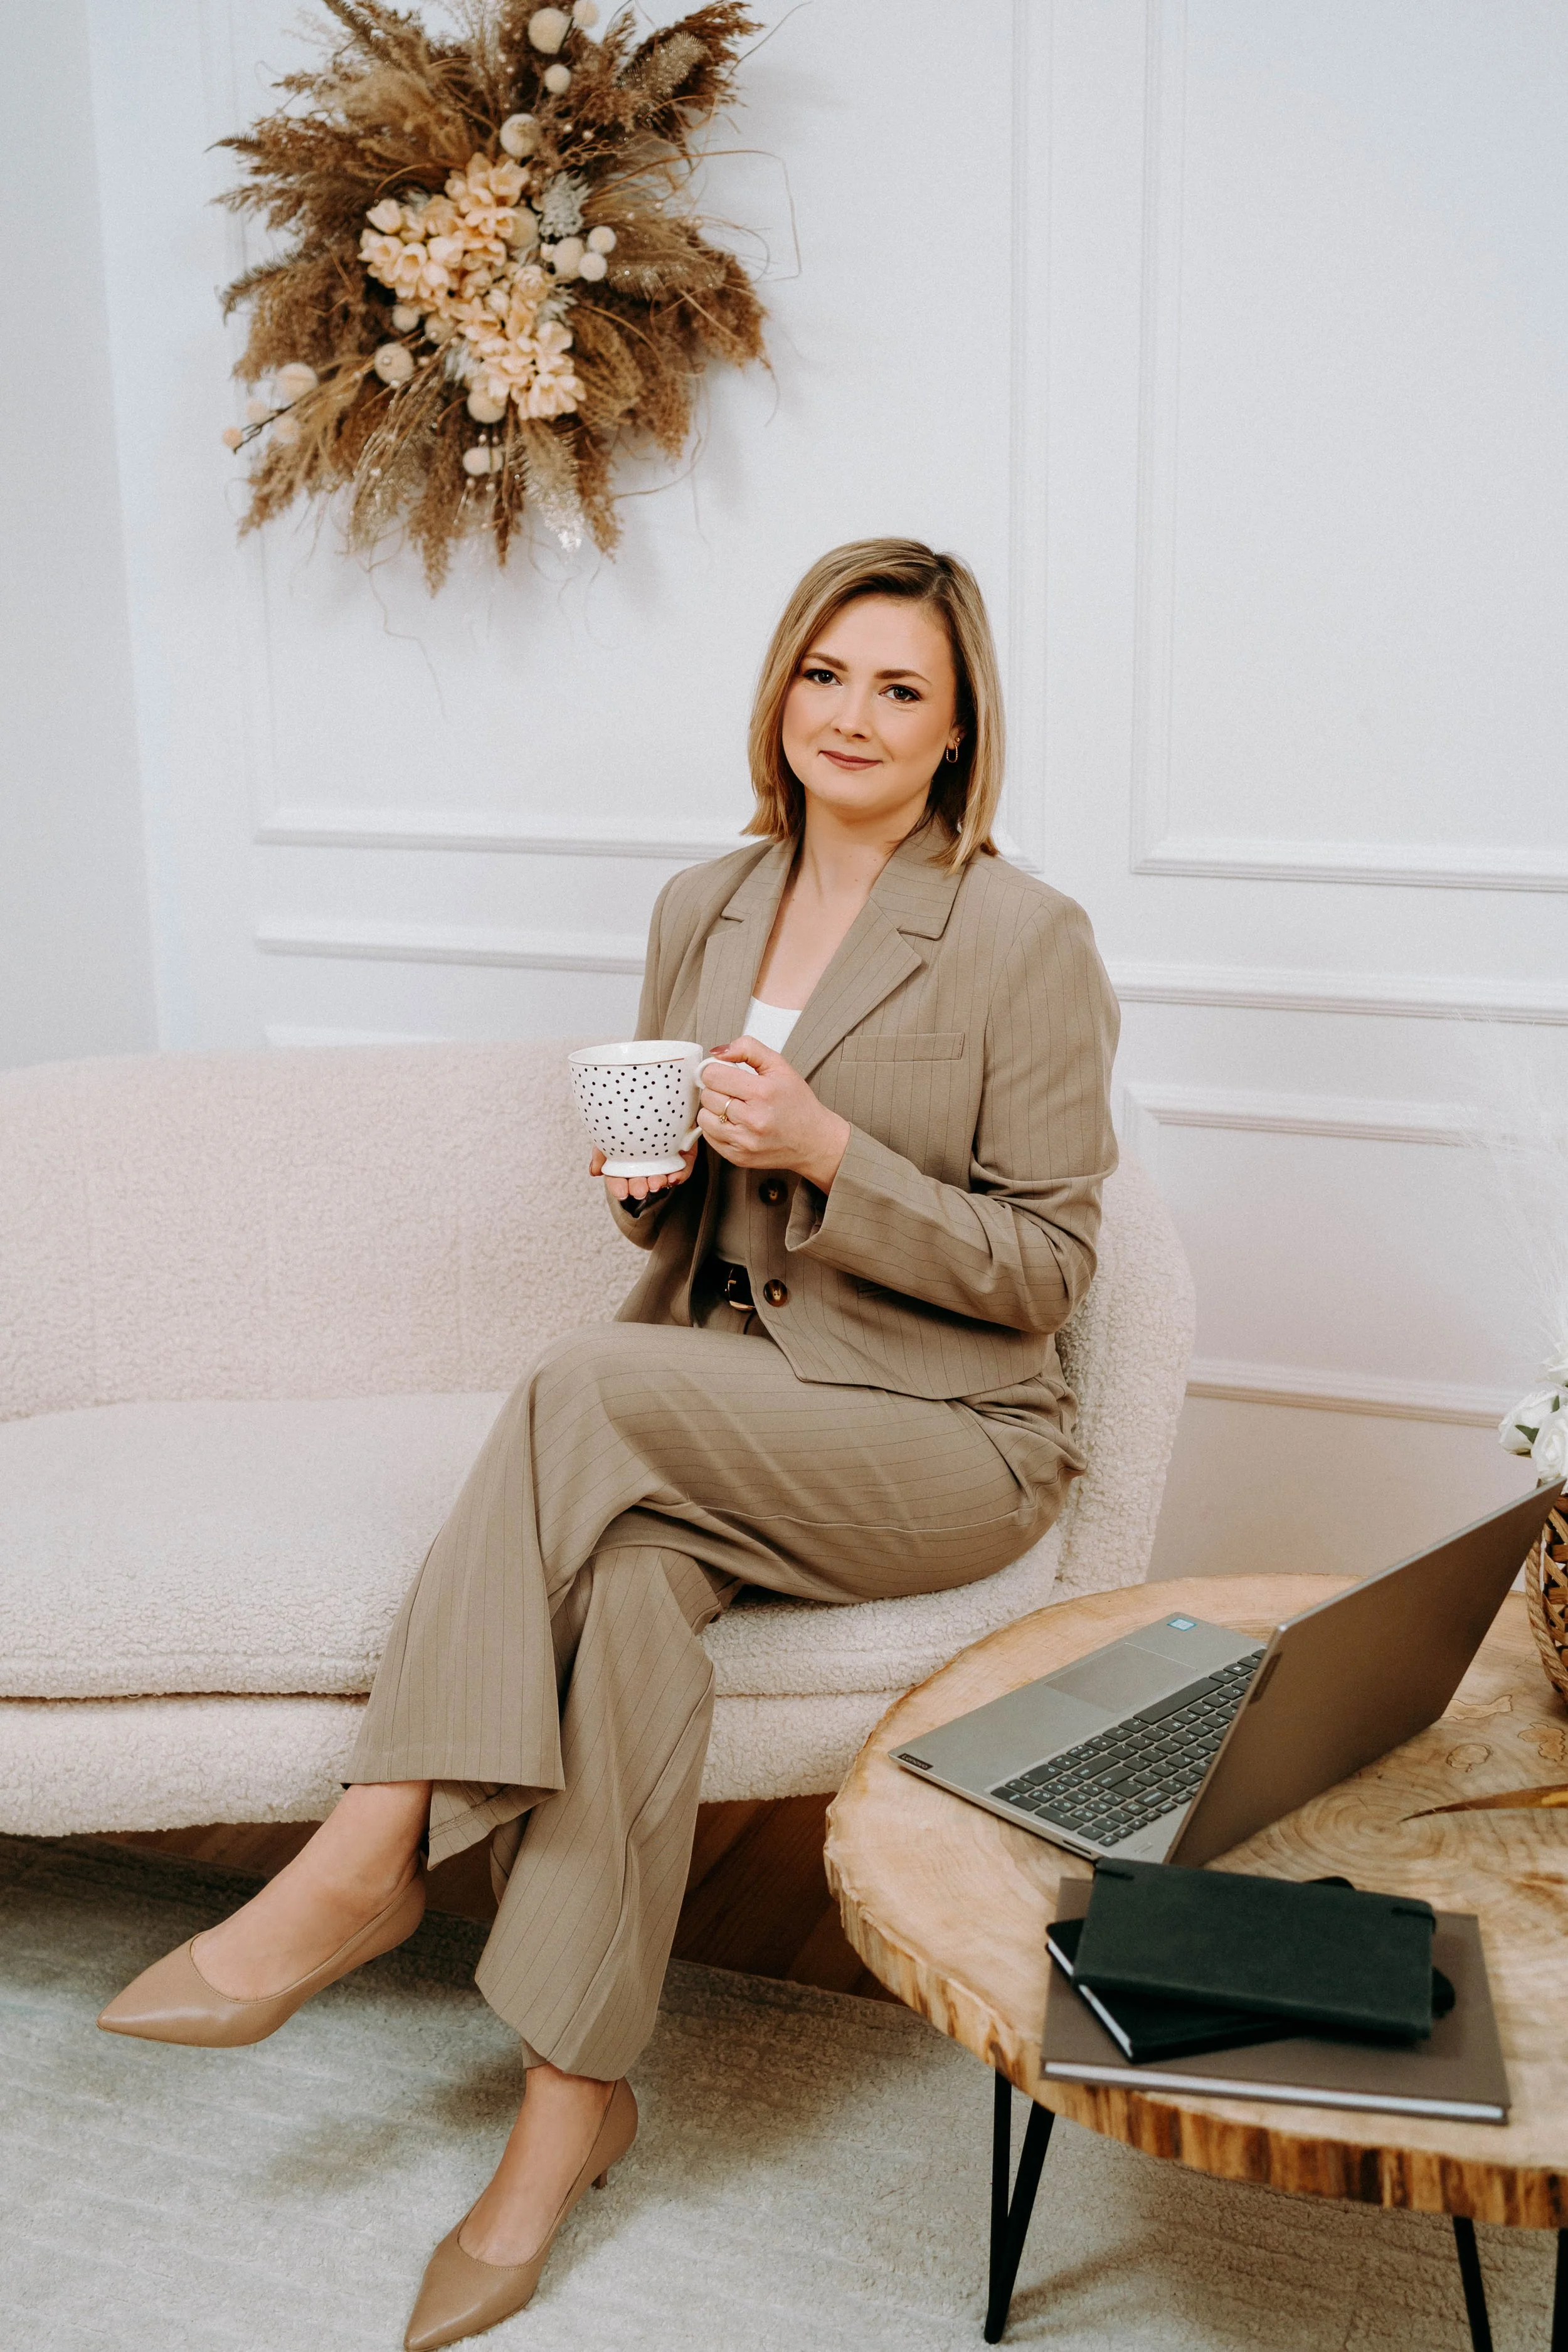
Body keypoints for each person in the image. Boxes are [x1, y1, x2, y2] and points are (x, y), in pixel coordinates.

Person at [98, 538, 1119, 2349]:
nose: (853, 715)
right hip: (741, 1400)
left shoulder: (1024, 938)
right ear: (779, 692)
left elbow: (1043, 1273)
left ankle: (366, 1848)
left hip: (950, 1433)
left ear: (961, 731)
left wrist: (828, 1152)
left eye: (900, 688)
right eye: (825, 672)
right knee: (633, 1604)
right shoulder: (703, 903)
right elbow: (689, 1240)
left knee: (580, 1386)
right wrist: (656, 1189)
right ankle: (565, 2124)